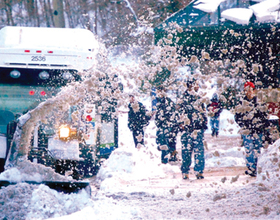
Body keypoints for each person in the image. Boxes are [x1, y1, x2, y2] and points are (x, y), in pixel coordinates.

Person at [235, 81, 268, 177]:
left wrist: (260, 124)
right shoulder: (241, 103)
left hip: (257, 130)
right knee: (249, 149)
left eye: (250, 90)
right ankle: (251, 168)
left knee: (257, 149)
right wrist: (243, 124)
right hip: (247, 131)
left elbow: (265, 115)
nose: (248, 92)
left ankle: (258, 167)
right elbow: (237, 116)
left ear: (254, 90)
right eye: (246, 90)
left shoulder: (259, 102)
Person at [178, 79, 208, 180]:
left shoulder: (199, 98)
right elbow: (179, 113)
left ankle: (199, 171)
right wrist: (181, 124)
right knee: (186, 152)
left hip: (198, 129)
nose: (198, 87)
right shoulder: (183, 98)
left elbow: (203, 111)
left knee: (199, 151)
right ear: (191, 86)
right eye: (196, 85)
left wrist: (204, 122)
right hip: (187, 130)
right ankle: (185, 171)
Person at [155, 86, 179, 164]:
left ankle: (165, 160)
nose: (157, 93)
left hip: (166, 125)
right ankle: (172, 154)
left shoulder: (166, 102)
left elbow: (171, 114)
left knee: (164, 142)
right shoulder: (160, 102)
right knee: (165, 142)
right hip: (164, 125)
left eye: (158, 91)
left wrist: (165, 122)